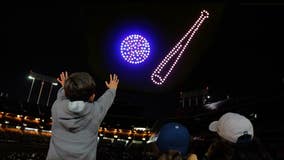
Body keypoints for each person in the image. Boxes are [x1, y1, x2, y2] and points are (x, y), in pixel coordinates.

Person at [46, 71, 119, 160]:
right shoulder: (96, 111)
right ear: (92, 97)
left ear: (66, 93)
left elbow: (62, 97)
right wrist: (112, 89)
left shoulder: (57, 107)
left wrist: (65, 87)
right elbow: (106, 99)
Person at [202, 112, 273, 160]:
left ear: (224, 140)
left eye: (218, 135)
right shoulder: (262, 152)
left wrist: (208, 155)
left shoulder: (218, 153)